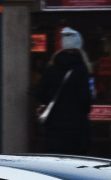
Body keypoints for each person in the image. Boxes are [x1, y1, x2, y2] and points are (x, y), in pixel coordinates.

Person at [35, 27, 93, 155]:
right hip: (76, 127)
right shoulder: (81, 69)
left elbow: (40, 93)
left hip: (54, 126)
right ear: (78, 47)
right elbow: (85, 99)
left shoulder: (52, 67)